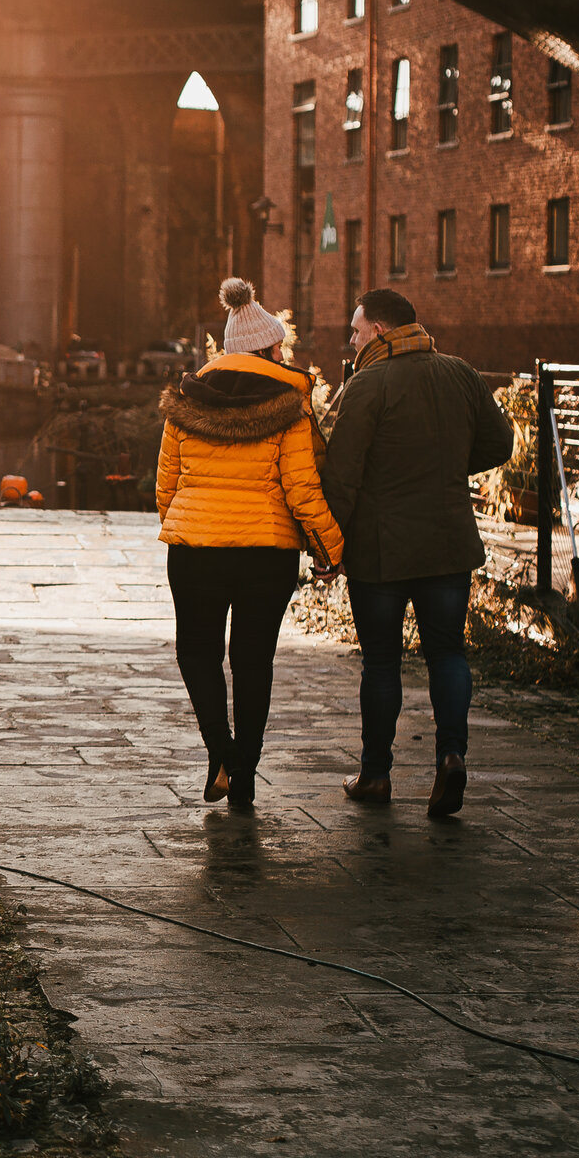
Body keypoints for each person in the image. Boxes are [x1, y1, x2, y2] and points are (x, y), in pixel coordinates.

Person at [319, 288, 516, 817]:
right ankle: (451, 756)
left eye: (357, 332)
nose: (353, 341)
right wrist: (447, 467)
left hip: (380, 554)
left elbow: (341, 477)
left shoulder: (367, 385)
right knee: (448, 654)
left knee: (381, 663)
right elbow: (502, 444)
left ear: (380, 331)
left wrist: (324, 546)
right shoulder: (460, 373)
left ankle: (376, 776)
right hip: (448, 545)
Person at [155, 278, 345, 813]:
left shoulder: (187, 397)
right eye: (279, 346)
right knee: (253, 660)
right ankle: (245, 774)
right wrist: (331, 548)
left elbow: (165, 485)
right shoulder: (290, 404)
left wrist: (184, 523)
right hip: (267, 552)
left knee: (197, 651)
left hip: (195, 550)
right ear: (268, 348)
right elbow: (302, 488)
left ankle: (221, 751)